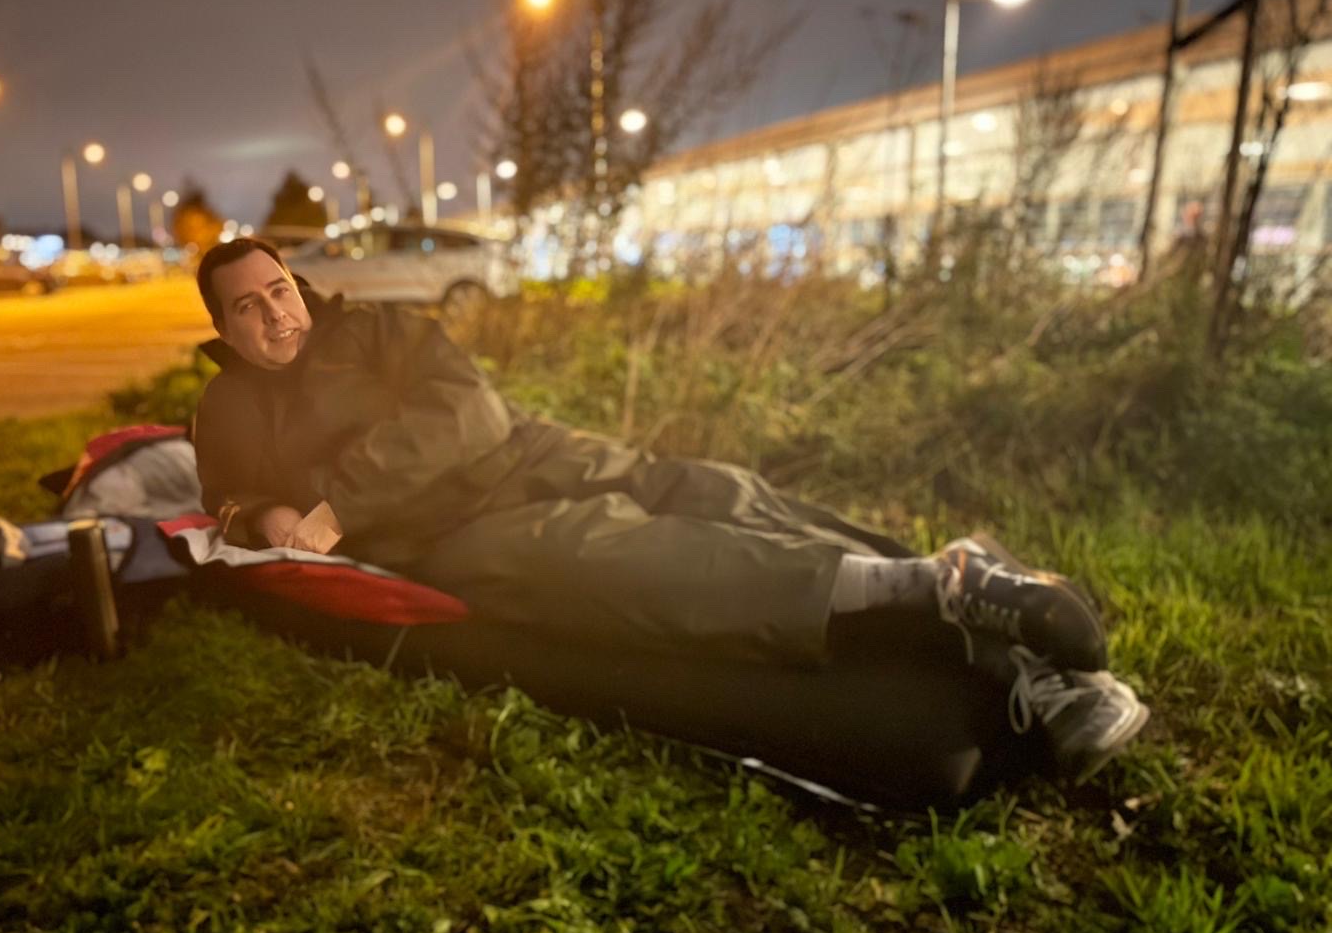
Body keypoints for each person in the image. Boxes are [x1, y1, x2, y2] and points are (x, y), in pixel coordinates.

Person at [190, 237, 1149, 784]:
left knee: (721, 491)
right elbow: (224, 502)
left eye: (280, 290)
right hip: (459, 534)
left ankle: (990, 608)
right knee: (644, 560)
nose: (276, 316)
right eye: (248, 309)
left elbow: (469, 409)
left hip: (526, 448)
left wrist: (339, 504)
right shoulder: (226, 408)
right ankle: (948, 609)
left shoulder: (373, 329)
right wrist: (267, 519)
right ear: (223, 328)